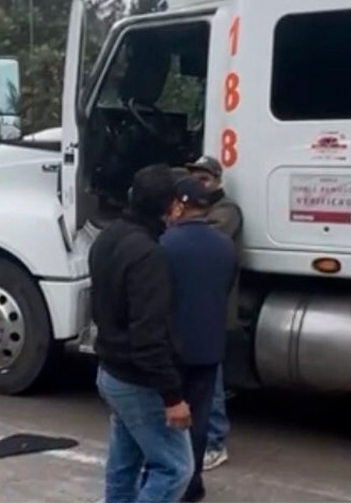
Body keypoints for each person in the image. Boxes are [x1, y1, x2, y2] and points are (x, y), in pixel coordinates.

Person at [91, 164, 192, 503]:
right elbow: (149, 336)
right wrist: (172, 397)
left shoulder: (109, 236)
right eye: (178, 200)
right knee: (175, 468)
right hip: (138, 381)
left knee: (125, 462)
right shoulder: (150, 256)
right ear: (169, 207)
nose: (182, 207)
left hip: (112, 372)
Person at [161, 177, 237, 502]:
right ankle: (194, 484)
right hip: (209, 348)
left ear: (180, 204)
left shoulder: (165, 244)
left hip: (174, 349)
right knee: (200, 422)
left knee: (168, 422)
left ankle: (174, 482)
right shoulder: (224, 245)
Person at [184, 155, 243, 471]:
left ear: (217, 181)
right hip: (202, 306)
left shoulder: (227, 212)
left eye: (204, 178)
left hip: (215, 309)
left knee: (212, 382)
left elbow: (204, 237)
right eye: (194, 178)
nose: (199, 183)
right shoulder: (208, 211)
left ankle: (216, 441)